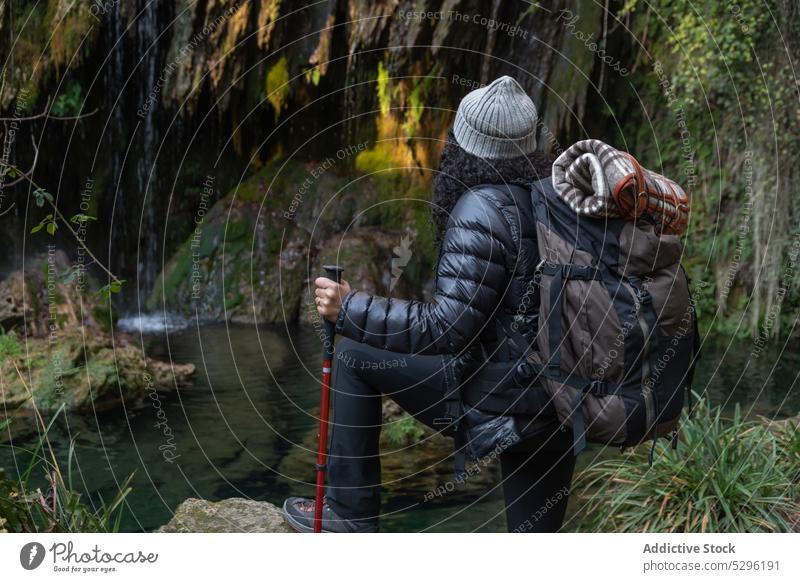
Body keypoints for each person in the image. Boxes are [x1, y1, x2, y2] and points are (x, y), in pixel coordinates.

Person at [283, 76, 574, 533]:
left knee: (356, 356)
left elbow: (446, 329)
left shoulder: (480, 209)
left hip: (504, 400)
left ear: (463, 142)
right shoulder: (556, 201)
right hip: (559, 398)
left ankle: (349, 516)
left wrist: (350, 308)